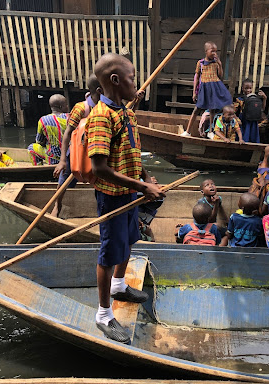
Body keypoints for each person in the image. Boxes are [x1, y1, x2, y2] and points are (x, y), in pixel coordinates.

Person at [86, 53, 164, 343]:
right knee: (108, 254)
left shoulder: (127, 113)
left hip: (131, 191)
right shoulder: (100, 118)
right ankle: (104, 314)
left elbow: (133, 151)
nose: (136, 83)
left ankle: (119, 285)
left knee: (130, 239)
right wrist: (142, 188)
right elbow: (99, 168)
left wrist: (144, 179)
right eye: (132, 78)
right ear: (116, 81)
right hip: (112, 197)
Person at [52, 74, 102, 217]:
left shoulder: (106, 107)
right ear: (100, 90)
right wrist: (62, 161)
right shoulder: (82, 108)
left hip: (97, 150)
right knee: (64, 180)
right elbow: (67, 133)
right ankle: (57, 205)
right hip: (77, 151)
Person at [181, 41, 232, 137]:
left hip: (215, 87)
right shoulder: (200, 63)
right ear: (206, 51)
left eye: (216, 51)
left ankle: (210, 132)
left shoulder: (215, 63)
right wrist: (194, 92)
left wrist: (220, 64)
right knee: (197, 109)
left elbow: (220, 76)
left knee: (212, 110)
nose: (214, 54)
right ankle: (187, 131)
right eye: (212, 51)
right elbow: (196, 77)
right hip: (204, 88)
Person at [27, 94, 69, 166]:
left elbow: (39, 141)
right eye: (66, 105)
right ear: (61, 107)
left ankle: (39, 168)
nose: (68, 106)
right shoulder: (70, 117)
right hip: (69, 155)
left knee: (31, 148)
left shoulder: (43, 120)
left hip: (53, 158)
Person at [234, 79, 267, 143]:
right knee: (244, 136)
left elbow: (262, 109)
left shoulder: (255, 99)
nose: (248, 90)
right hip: (244, 120)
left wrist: (264, 98)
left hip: (253, 120)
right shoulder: (239, 99)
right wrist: (237, 120)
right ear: (242, 88)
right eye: (246, 88)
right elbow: (233, 111)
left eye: (250, 88)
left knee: (253, 136)